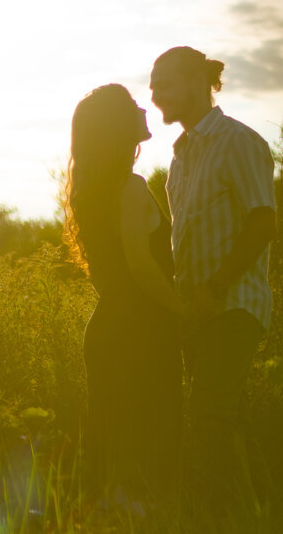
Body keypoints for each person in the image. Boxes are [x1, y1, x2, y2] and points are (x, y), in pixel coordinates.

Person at [148, 46, 276, 508]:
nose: (156, 94)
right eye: (153, 85)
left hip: (233, 306)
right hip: (198, 313)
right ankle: (266, 516)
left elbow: (263, 222)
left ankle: (241, 525)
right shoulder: (180, 157)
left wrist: (216, 288)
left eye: (165, 83)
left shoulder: (238, 142)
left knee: (210, 418)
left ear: (198, 83)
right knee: (230, 419)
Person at [63, 83, 192, 506]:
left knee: (115, 438)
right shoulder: (130, 187)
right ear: (119, 126)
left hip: (108, 328)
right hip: (141, 330)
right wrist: (186, 311)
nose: (144, 109)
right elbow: (140, 266)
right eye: (134, 105)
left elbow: (109, 276)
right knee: (151, 434)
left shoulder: (91, 193)